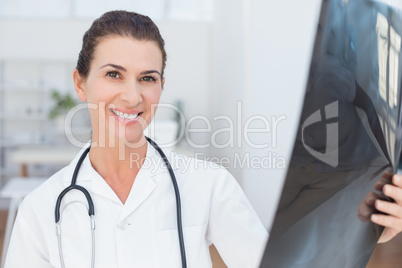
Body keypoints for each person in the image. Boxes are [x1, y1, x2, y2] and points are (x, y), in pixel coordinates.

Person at [4, 11, 268, 268]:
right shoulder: (40, 209)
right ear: (80, 83)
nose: (132, 97)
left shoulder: (209, 186)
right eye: (114, 74)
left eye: (147, 78)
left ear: (161, 86)